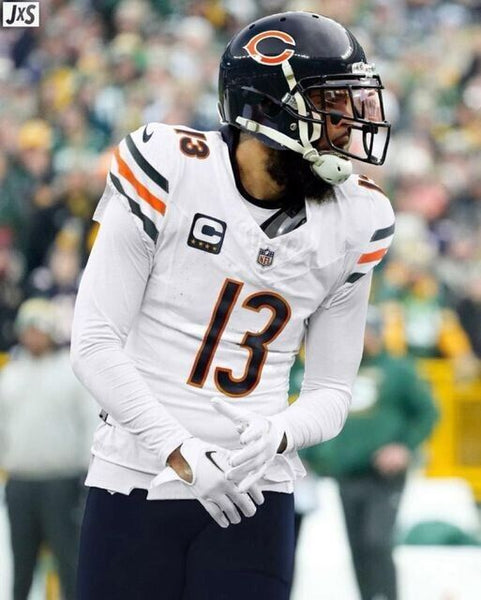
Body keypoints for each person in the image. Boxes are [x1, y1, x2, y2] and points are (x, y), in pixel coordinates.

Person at [70, 11, 395, 600]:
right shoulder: (171, 165)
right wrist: (180, 449)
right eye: (332, 104)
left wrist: (278, 435)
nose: (349, 123)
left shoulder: (358, 217)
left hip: (254, 491)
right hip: (138, 473)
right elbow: (93, 342)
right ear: (268, 108)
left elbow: (331, 392)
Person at [299, 308, 439, 600]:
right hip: (346, 472)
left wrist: (404, 446)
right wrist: (313, 456)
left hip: (383, 475)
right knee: (358, 547)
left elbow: (427, 412)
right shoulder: (336, 371)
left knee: (377, 542)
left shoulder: (397, 370)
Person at [0, 298, 97, 600]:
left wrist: (88, 474)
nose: (32, 335)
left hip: (62, 483)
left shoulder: (70, 372)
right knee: (21, 566)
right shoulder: (11, 374)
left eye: (38, 329)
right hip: (20, 483)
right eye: (27, 329)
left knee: (68, 561)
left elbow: (89, 424)